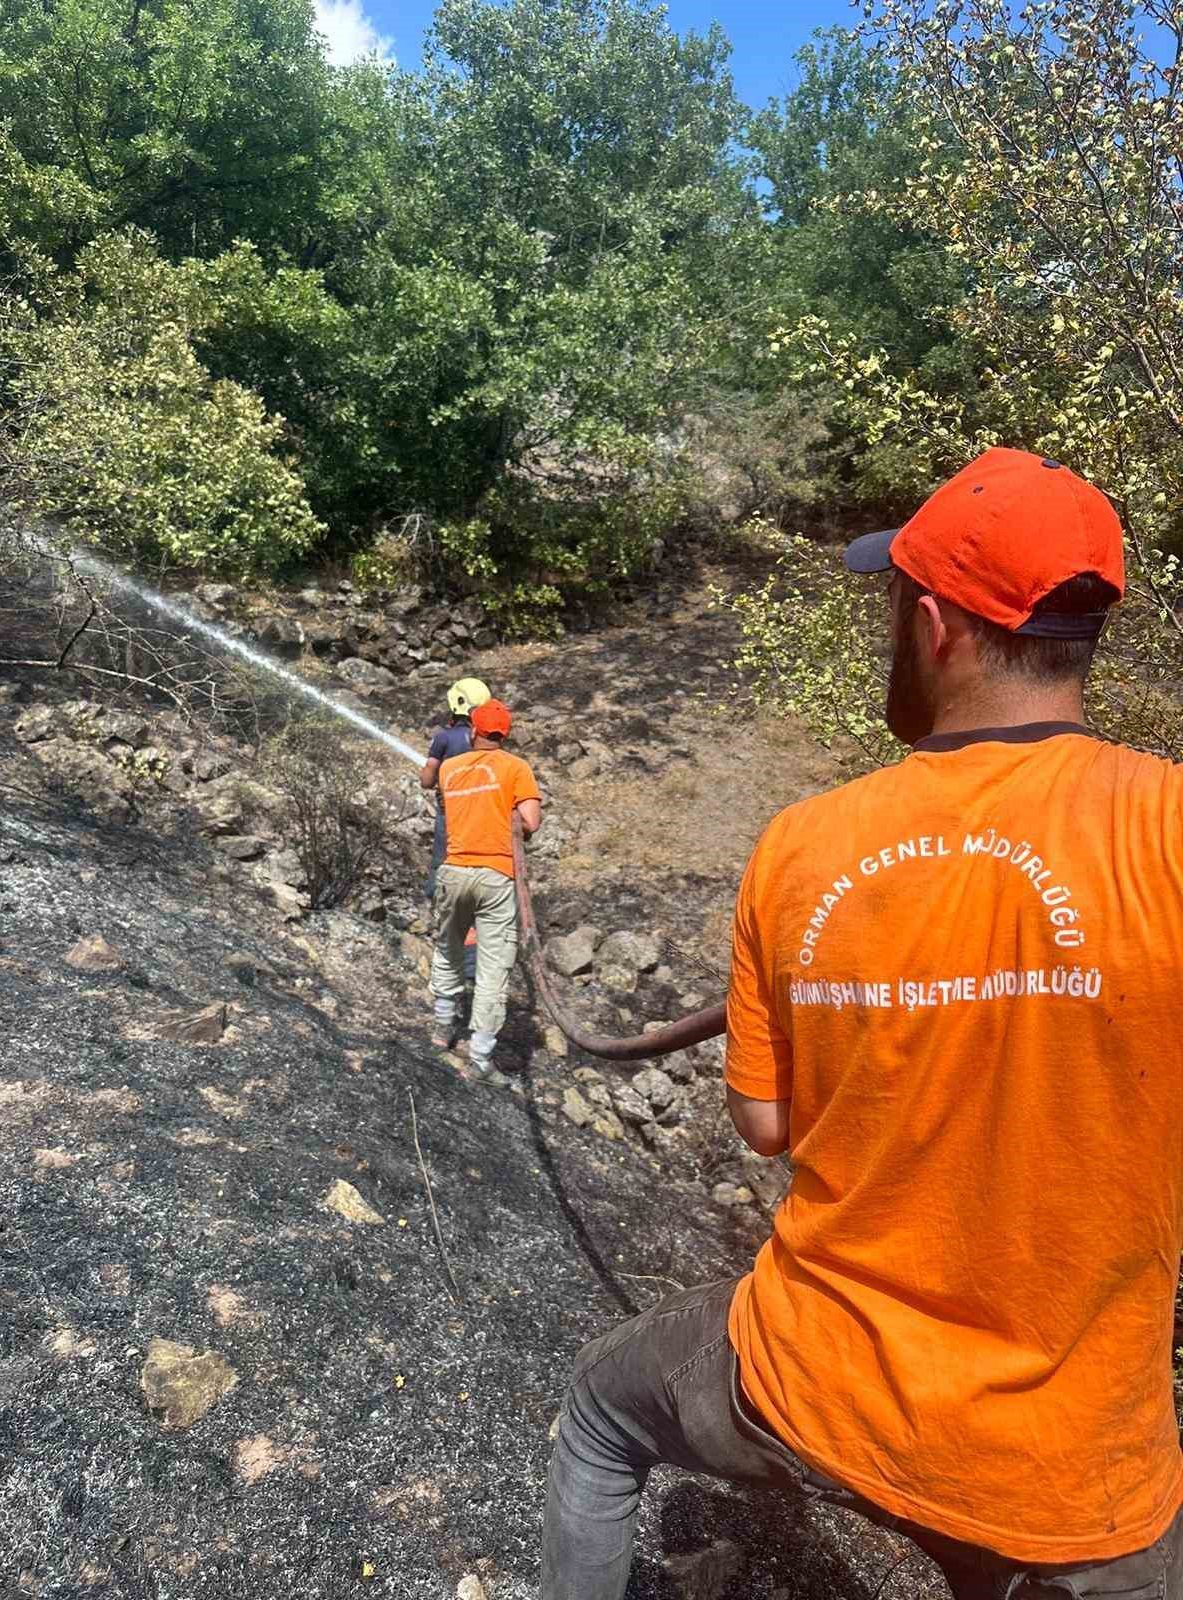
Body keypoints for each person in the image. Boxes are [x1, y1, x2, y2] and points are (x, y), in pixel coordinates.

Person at [541, 448, 1183, 1600]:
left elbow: (764, 1124)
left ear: (934, 626)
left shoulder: (802, 845)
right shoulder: (1166, 828)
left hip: (817, 1380)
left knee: (597, 1410)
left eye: (896, 601)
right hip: (1078, 1469)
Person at [431, 698, 541, 1080]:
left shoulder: (450, 769)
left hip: (454, 872)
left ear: (474, 730)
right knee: (493, 966)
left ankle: (442, 1028)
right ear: (504, 734)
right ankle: (479, 1058)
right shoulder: (516, 768)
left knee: (449, 947)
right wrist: (509, 811)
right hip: (496, 876)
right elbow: (530, 822)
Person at [420, 676, 491, 900]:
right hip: (480, 808)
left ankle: (435, 896)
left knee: (442, 856)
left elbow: (427, 780)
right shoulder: (484, 740)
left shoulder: (443, 738)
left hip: (449, 809)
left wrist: (429, 776)